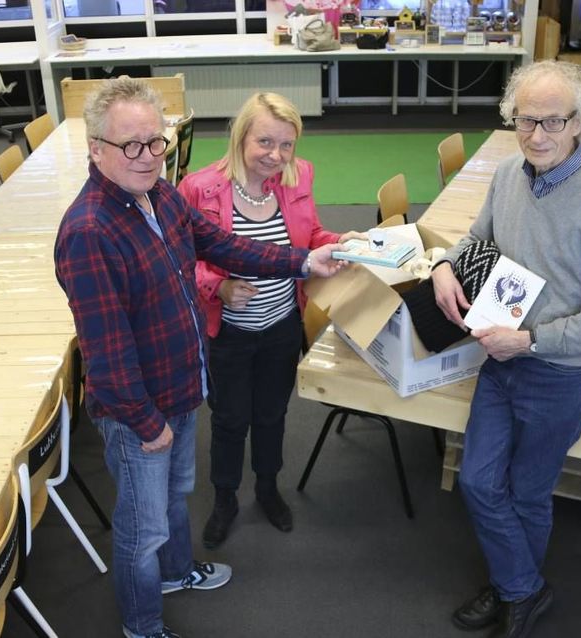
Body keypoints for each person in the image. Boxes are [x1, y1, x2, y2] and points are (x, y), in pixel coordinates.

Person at [54, 78, 345, 638]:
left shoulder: (158, 195)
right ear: (96, 149)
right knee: (141, 532)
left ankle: (178, 573)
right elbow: (106, 351)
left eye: (155, 141)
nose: (147, 156)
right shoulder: (89, 231)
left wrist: (305, 262)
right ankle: (142, 626)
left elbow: (225, 246)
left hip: (183, 385)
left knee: (175, 500)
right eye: (130, 145)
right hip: (141, 411)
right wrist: (145, 423)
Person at [432, 60, 581, 637]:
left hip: (560, 373)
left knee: (527, 490)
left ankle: (511, 590)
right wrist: (446, 264)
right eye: (525, 121)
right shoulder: (506, 175)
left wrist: (531, 339)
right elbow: (478, 239)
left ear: (579, 123)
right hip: (500, 359)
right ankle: (524, 588)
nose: (538, 136)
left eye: (553, 122)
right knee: (476, 480)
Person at [178, 92, 363, 549]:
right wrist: (217, 288)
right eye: (265, 142)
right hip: (229, 332)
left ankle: (266, 488)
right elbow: (183, 260)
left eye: (286, 146)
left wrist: (341, 240)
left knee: (272, 414)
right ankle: (225, 499)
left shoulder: (298, 177)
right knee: (228, 418)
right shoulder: (199, 189)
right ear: (241, 137)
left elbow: (310, 235)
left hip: (281, 323)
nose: (276, 156)